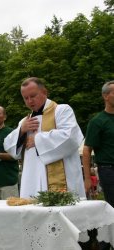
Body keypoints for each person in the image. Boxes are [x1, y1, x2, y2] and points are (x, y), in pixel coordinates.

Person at [4, 77, 86, 199]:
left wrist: (37, 140)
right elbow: (8, 145)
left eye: (33, 96)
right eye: (25, 98)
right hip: (32, 180)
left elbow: (70, 137)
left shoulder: (62, 110)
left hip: (62, 180)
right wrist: (21, 131)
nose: (29, 101)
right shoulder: (25, 121)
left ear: (44, 92)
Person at [83, 80, 114, 250]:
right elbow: (87, 150)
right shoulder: (98, 121)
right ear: (105, 96)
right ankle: (104, 245)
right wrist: (88, 178)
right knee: (112, 209)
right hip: (109, 170)